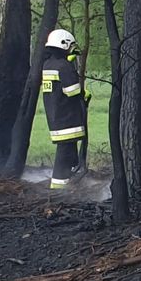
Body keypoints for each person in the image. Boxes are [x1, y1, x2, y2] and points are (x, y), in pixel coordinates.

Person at [39, 28, 88, 191]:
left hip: (55, 116)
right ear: (64, 44)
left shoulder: (48, 64)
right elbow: (72, 91)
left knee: (68, 151)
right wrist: (71, 69)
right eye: (71, 46)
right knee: (65, 153)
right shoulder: (63, 66)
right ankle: (59, 188)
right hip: (67, 116)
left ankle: (68, 182)